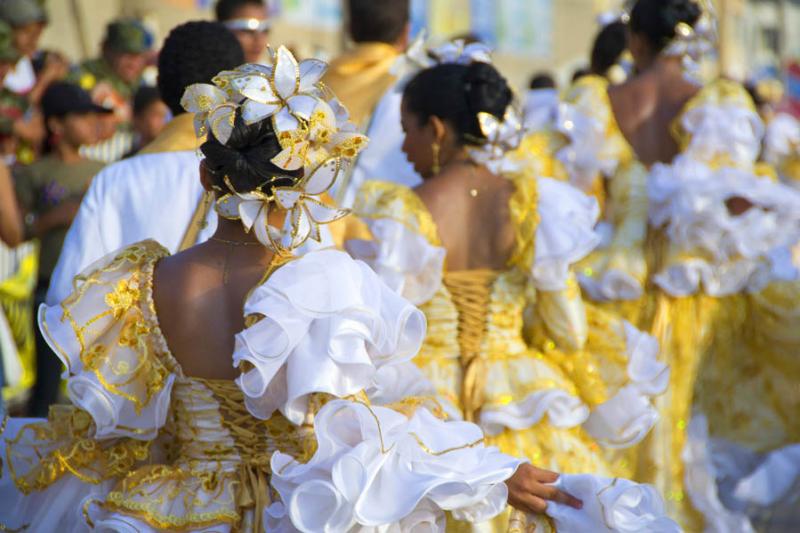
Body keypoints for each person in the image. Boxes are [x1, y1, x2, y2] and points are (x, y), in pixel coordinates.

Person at [0, 51, 680, 533]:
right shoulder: (311, 286)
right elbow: (351, 441)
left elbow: (121, 426)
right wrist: (485, 475)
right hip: (292, 508)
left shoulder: (141, 282)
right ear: (305, 184)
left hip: (166, 506)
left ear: (209, 176)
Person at [345, 46, 673, 532]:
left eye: (408, 129)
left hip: (428, 402)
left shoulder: (402, 210)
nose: (405, 148)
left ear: (436, 129)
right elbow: (570, 330)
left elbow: (388, 330)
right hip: (522, 395)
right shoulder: (535, 201)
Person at [556, 0, 800, 529]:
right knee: (684, 413)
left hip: (612, 286)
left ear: (635, 42)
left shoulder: (594, 100)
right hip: (691, 292)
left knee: (625, 408)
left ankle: (623, 513)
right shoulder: (717, 101)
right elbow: (732, 203)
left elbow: (574, 203)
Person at [46, 21, 245, 306]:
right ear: (237, 90)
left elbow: (68, 299)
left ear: (162, 89)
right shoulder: (261, 179)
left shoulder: (115, 179)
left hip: (134, 349)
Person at [14, 82, 110, 417]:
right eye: (81, 117)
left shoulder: (102, 172)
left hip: (95, 292)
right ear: (56, 125)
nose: (91, 125)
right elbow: (17, 232)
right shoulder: (36, 173)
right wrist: (57, 216)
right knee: (47, 389)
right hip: (48, 289)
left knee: (95, 387)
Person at [70, 19, 154, 162]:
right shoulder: (85, 76)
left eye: (139, 56)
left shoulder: (142, 82)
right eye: (126, 54)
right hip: (94, 156)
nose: (133, 63)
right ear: (107, 50)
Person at [125, 85, 170, 157]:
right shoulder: (126, 163)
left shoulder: (171, 158)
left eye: (164, 115)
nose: (163, 121)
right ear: (137, 118)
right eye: (156, 115)